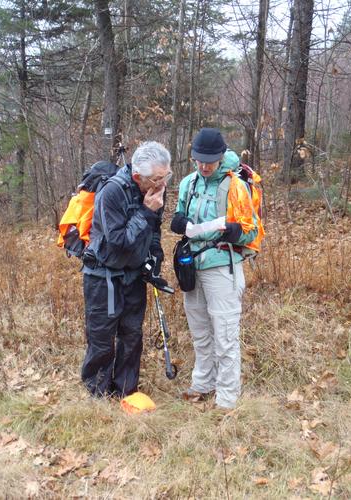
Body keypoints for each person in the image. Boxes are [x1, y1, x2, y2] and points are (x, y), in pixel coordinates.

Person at [171, 128, 258, 410]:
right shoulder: (188, 183)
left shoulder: (235, 187)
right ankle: (203, 382)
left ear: (221, 158)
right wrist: (178, 223)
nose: (205, 166)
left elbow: (251, 231)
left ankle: (227, 397)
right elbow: (179, 214)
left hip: (222, 267)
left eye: (210, 161)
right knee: (200, 331)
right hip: (192, 265)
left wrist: (235, 231)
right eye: (199, 160)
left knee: (225, 334)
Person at [81, 141, 172, 398]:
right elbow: (118, 241)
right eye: (156, 179)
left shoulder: (155, 191)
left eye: (165, 177)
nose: (162, 185)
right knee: (101, 338)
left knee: (132, 336)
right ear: (137, 176)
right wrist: (146, 211)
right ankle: (98, 394)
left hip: (134, 275)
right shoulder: (111, 192)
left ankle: (125, 391)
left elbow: (153, 231)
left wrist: (155, 258)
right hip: (103, 276)